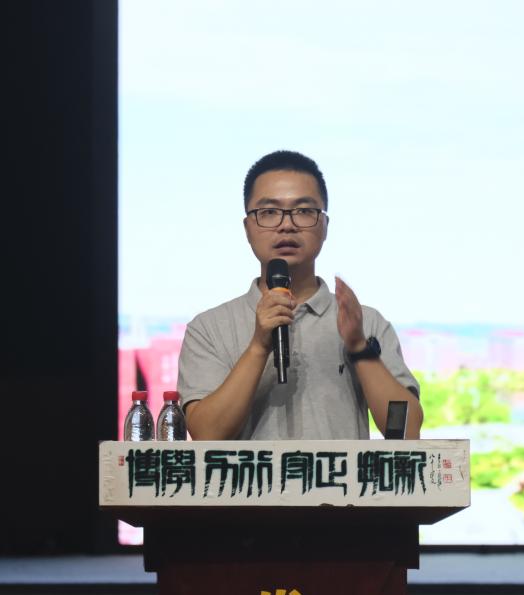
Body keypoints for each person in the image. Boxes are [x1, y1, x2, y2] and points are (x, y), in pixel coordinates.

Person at [177, 150, 423, 440]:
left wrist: (359, 346)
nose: (287, 225)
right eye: (269, 212)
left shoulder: (364, 322)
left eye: (304, 211)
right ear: (247, 228)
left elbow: (406, 430)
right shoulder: (209, 328)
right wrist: (258, 346)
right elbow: (206, 434)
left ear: (325, 226)